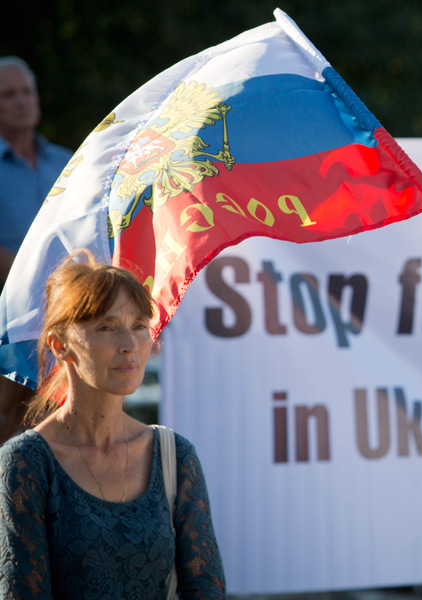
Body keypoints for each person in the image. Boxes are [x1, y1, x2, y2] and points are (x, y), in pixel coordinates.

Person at [0, 250, 226, 597]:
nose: (129, 345)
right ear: (60, 345)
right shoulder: (25, 462)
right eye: (106, 327)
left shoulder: (174, 456)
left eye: (139, 326)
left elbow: (205, 589)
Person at [0, 56, 73, 445]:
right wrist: (30, 275)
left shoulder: (67, 163)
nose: (21, 101)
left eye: (26, 91)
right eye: (8, 94)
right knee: (12, 437)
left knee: (68, 430)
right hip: (8, 331)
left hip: (70, 320)